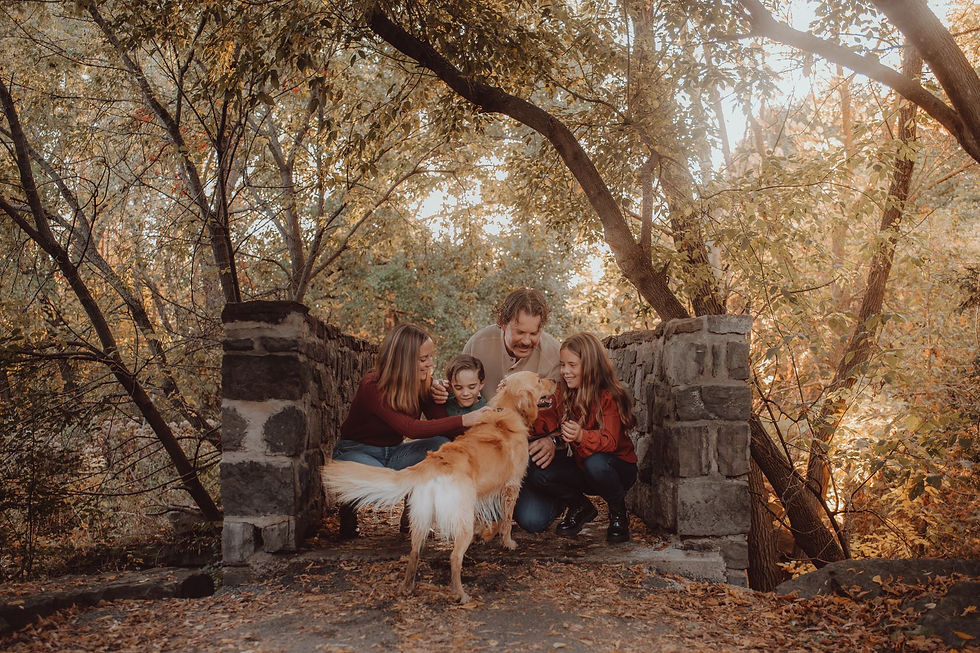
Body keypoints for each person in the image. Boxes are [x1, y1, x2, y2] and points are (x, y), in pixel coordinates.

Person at [332, 323, 492, 538]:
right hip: (358, 451)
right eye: (423, 359)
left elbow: (440, 420)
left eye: (430, 357)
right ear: (404, 359)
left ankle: (412, 519)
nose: (429, 364)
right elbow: (410, 428)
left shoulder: (423, 383)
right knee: (378, 485)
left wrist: (444, 396)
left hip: (395, 452)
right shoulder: (372, 384)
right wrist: (464, 419)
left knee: (440, 444)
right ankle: (348, 514)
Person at [517, 332, 638, 543]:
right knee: (537, 468)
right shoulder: (563, 392)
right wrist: (525, 407)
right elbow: (543, 424)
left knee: (596, 462)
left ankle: (618, 512)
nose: (565, 371)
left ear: (590, 365)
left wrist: (581, 435)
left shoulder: (609, 396)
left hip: (616, 469)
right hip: (584, 468)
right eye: (563, 365)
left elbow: (610, 442)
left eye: (572, 365)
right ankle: (579, 506)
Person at [443, 354, 488, 418]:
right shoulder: (444, 402)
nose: (465, 393)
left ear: (481, 384)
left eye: (471, 387)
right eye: (458, 388)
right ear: (450, 386)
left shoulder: (485, 411)